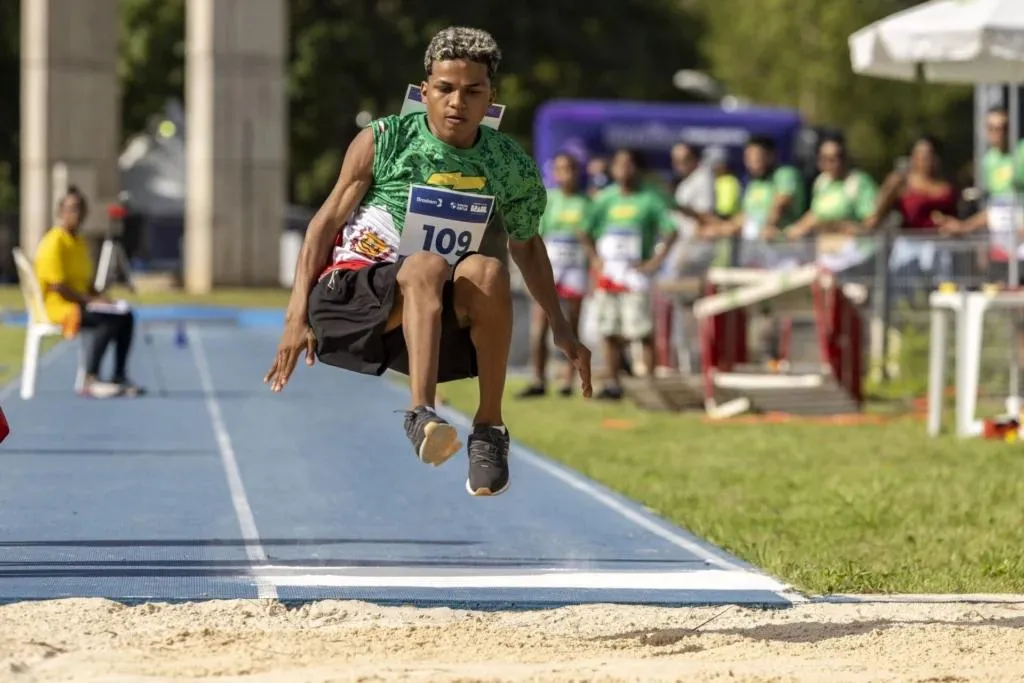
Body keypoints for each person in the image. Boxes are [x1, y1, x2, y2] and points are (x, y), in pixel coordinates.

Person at [263, 26, 592, 497]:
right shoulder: (385, 139)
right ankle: (421, 414)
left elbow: (528, 245)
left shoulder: (507, 163)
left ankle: (489, 430)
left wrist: (560, 325)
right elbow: (322, 224)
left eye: (472, 91)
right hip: (350, 295)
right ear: (425, 91)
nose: (457, 102)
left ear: (490, 97)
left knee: (487, 270)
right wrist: (295, 317)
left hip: (427, 316)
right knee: (427, 265)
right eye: (445, 89)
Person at [581, 148, 677, 400]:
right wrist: (595, 258)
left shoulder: (650, 199)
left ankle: (650, 384)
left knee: (641, 330)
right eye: (619, 164)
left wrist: (655, 261)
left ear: (637, 168)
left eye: (629, 164)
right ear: (613, 169)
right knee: (609, 330)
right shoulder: (605, 199)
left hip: (635, 276)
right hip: (609, 275)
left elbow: (671, 230)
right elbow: (584, 229)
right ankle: (613, 383)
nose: (624, 170)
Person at [34, 186, 144, 397]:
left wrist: (101, 298)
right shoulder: (53, 242)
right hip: (60, 307)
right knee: (107, 320)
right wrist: (89, 302)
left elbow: (85, 282)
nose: (76, 213)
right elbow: (58, 286)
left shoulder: (79, 242)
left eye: (79, 208)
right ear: (61, 212)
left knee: (125, 315)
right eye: (71, 208)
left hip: (79, 302)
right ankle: (90, 378)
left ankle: (119, 375)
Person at [517, 152, 591, 398]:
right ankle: (538, 378)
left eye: (569, 168)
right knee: (540, 325)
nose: (565, 174)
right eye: (559, 169)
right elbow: (536, 237)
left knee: (572, 323)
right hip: (551, 267)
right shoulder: (547, 199)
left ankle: (569, 379)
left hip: (576, 268)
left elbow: (592, 238)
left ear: (576, 172)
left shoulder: (586, 203)